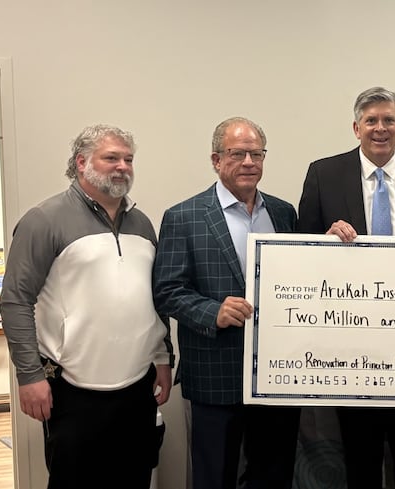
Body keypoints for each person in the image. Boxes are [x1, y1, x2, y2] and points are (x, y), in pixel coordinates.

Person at [0, 124, 173, 489]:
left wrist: (162, 356)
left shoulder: (142, 224)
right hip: (72, 389)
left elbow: (152, 299)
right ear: (81, 162)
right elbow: (16, 300)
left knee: (134, 479)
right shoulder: (43, 220)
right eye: (111, 158)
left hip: (136, 386)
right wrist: (29, 375)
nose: (123, 166)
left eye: (128, 159)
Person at [297, 86, 395, 489]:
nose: (379, 129)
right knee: (360, 460)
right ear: (355, 127)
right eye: (371, 121)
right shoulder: (323, 174)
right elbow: (300, 255)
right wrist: (323, 237)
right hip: (351, 349)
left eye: (388, 121)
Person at [152, 117, 300, 489]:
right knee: (213, 476)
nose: (249, 161)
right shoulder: (183, 216)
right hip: (215, 374)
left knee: (274, 474)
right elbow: (167, 290)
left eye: (256, 153)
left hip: (276, 375)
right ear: (217, 160)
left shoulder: (283, 214)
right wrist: (212, 312)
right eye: (238, 154)